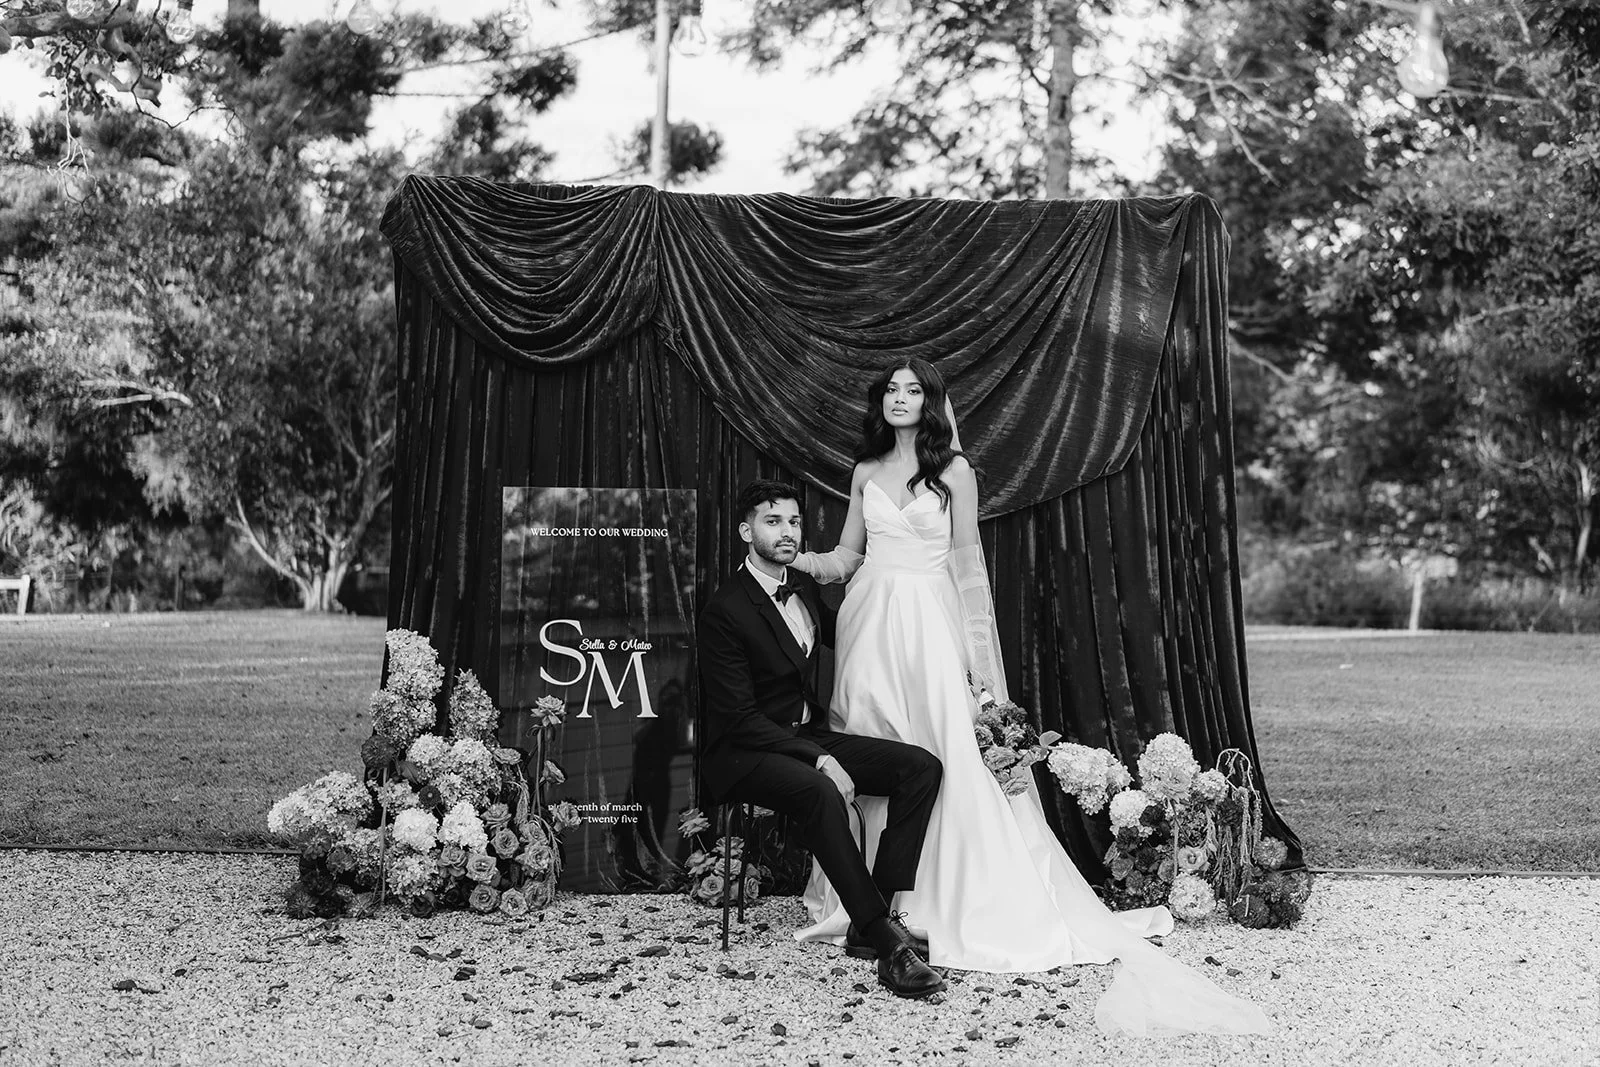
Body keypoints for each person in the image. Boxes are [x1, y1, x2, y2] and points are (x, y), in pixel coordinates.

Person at [790, 358, 1272, 1036]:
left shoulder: (954, 472)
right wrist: (804, 562)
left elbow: (968, 568)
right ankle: (875, 904)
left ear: (931, 402)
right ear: (881, 402)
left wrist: (981, 666)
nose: (900, 397)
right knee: (878, 761)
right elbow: (848, 554)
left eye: (913, 389)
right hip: (871, 632)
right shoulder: (865, 471)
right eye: (891, 389)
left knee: (944, 755)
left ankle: (946, 898)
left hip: (931, 628)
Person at [697, 479, 947, 999]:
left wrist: (919, 647)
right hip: (745, 752)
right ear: (746, 532)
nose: (787, 532)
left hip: (803, 736)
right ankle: (887, 948)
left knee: (921, 768)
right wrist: (819, 759)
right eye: (772, 522)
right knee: (820, 791)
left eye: (793, 521)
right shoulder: (726, 609)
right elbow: (739, 718)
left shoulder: (803, 588)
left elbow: (851, 632)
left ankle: (871, 910)